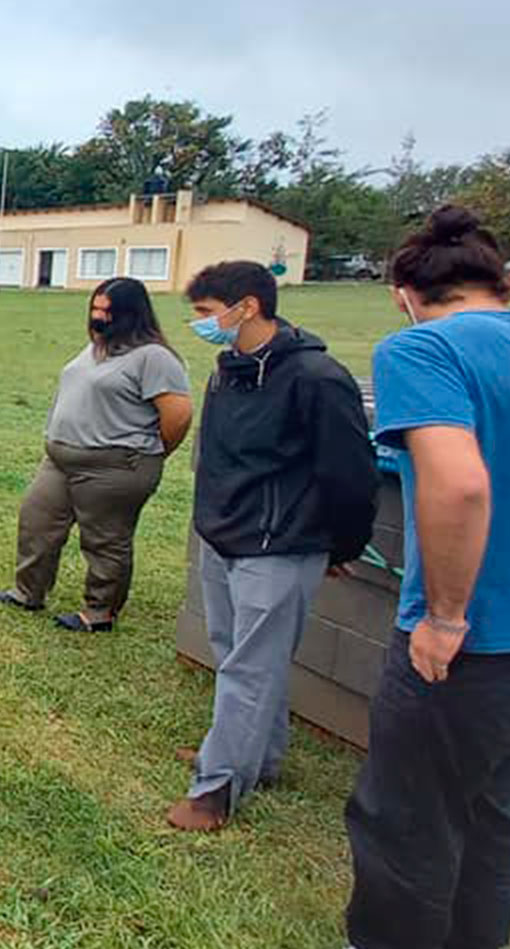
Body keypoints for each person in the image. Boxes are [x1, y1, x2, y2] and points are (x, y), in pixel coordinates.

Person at [289, 207, 510, 949]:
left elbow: (459, 483)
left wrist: (448, 615)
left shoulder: (424, 349)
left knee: (408, 799)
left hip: (480, 637)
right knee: (500, 802)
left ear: (402, 294)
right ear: (505, 283)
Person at [167, 262, 378, 831]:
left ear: (249, 307)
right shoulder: (228, 370)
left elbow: (351, 472)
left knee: (250, 668)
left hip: (279, 546)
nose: (202, 326)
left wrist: (340, 544)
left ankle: (215, 791)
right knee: (235, 653)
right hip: (224, 535)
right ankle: (255, 758)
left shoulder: (316, 378)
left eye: (208, 314)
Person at [0, 277, 193, 632]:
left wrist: (145, 454)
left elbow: (178, 416)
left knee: (105, 540)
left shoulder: (154, 357)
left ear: (131, 314)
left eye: (107, 312)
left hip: (114, 466)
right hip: (60, 460)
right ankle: (27, 591)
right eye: (94, 309)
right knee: (37, 522)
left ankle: (100, 611)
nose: (98, 317)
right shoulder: (97, 347)